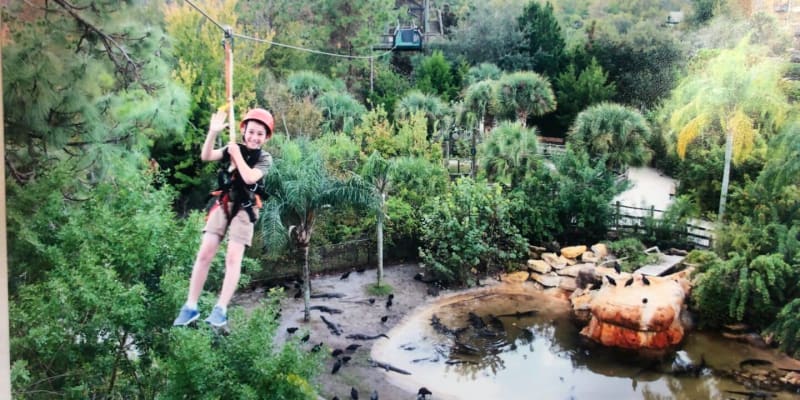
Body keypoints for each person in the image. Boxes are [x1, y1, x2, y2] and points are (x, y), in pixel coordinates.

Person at [173, 107, 274, 327]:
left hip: (246, 208)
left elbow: (249, 178)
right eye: (251, 132)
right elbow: (206, 155)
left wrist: (236, 154)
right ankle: (190, 306)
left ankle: (221, 308)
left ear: (266, 138)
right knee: (205, 252)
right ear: (244, 130)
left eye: (260, 134)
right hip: (225, 201)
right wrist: (213, 132)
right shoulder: (232, 147)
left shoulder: (265, 158)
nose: (254, 137)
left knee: (232, 257)